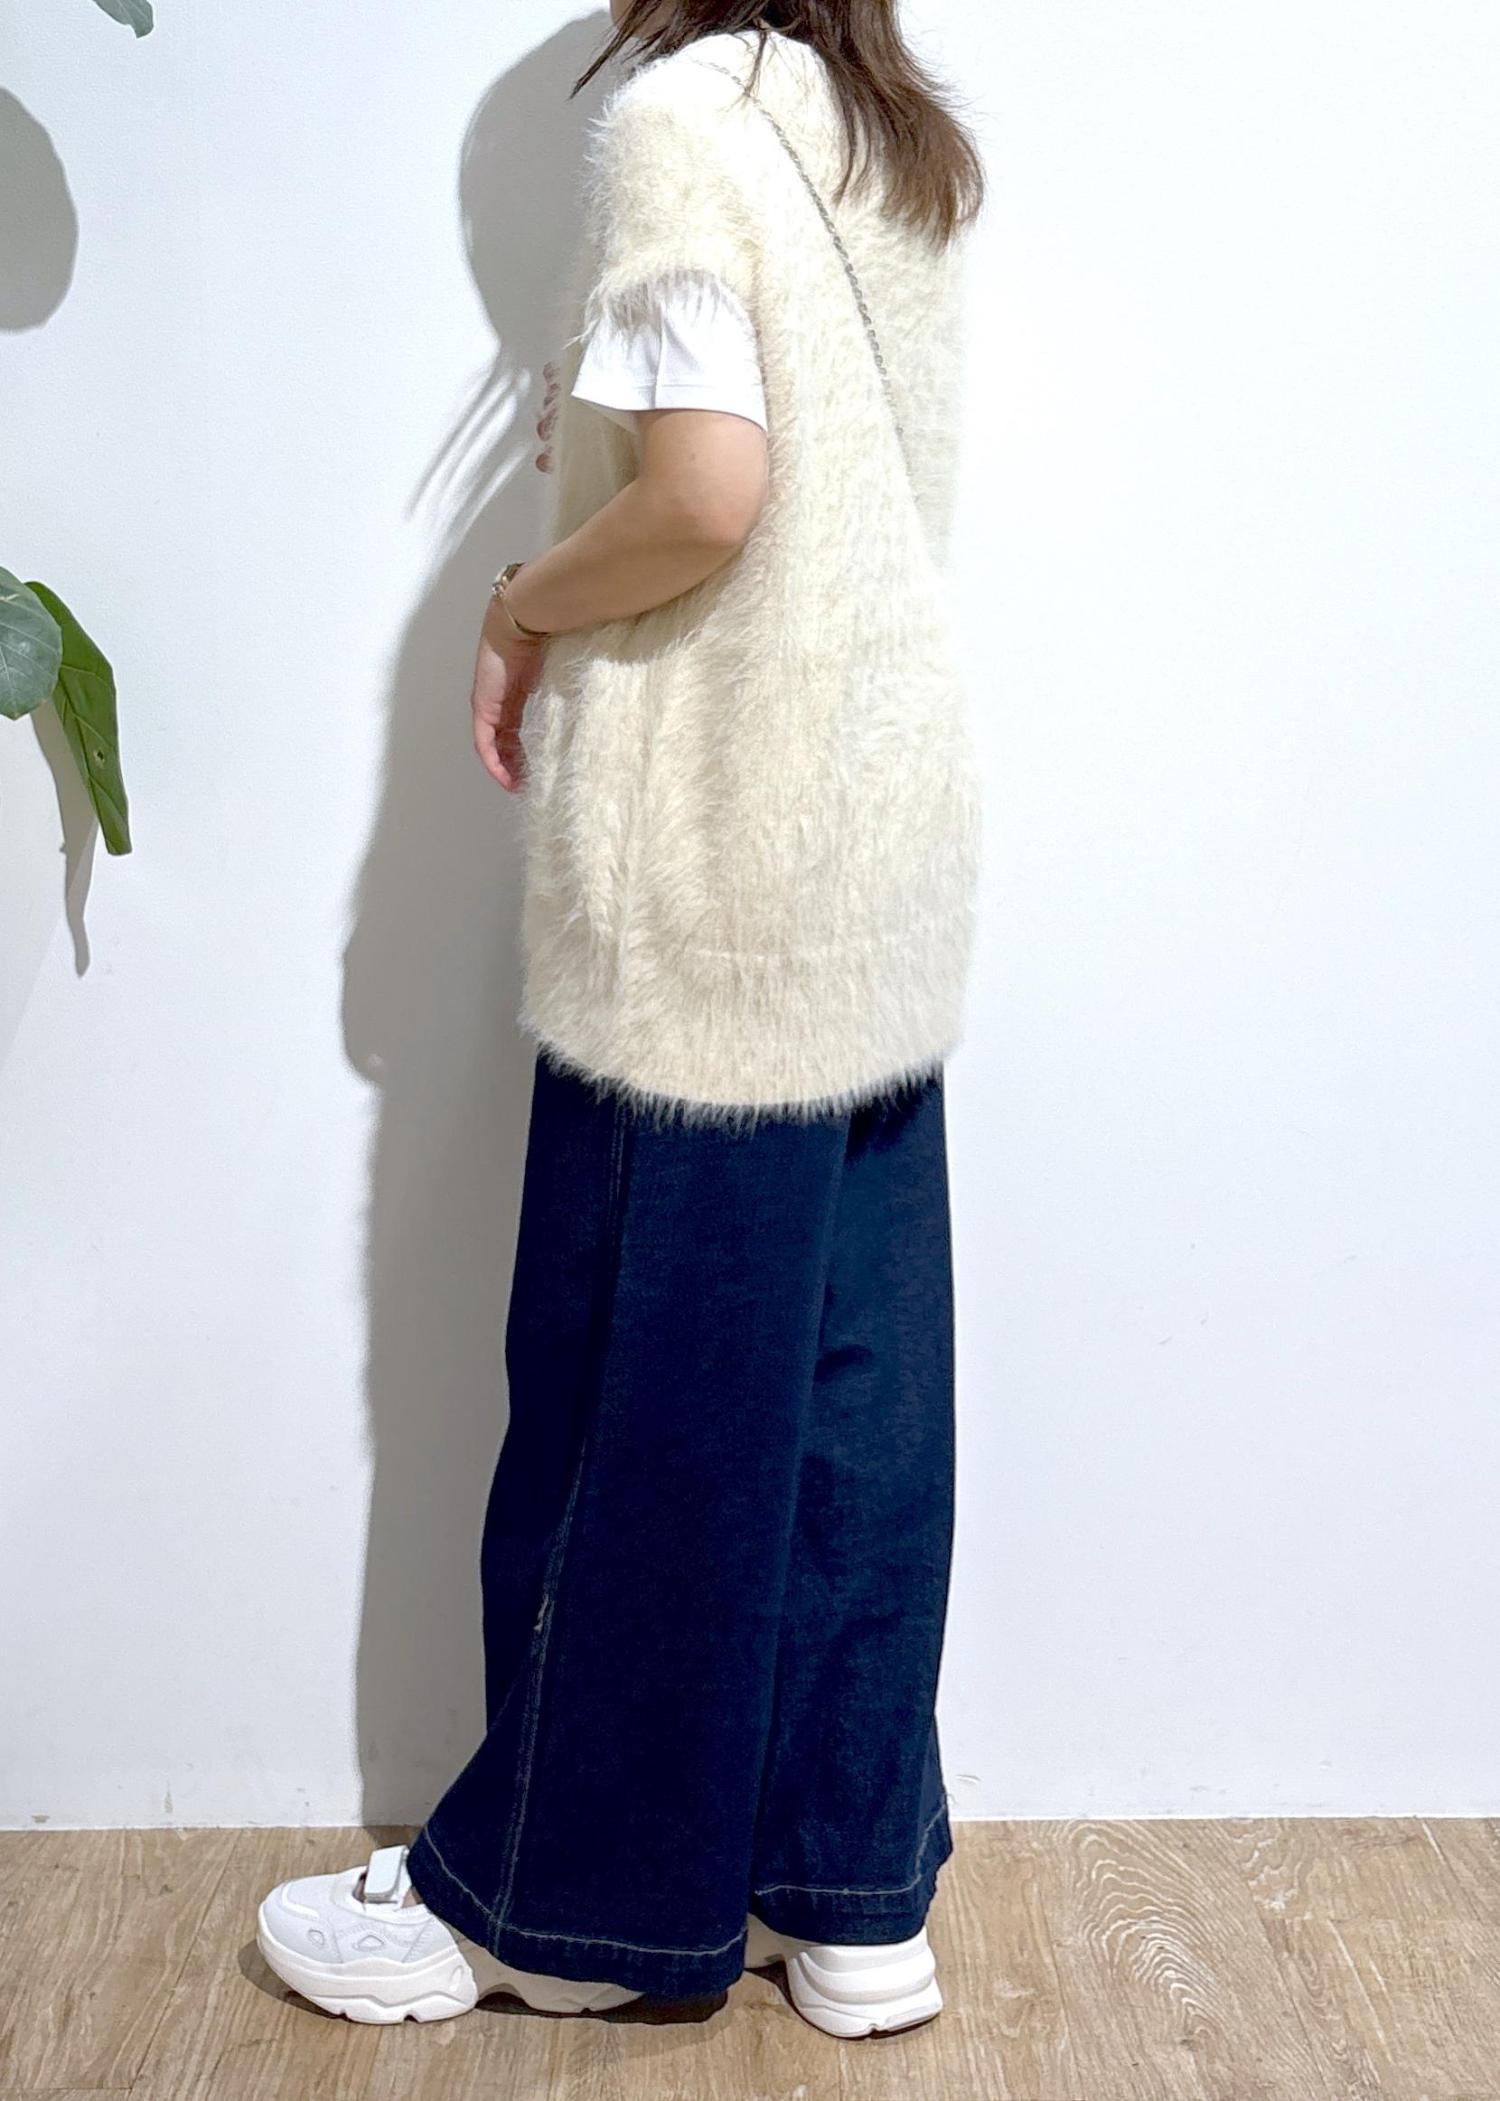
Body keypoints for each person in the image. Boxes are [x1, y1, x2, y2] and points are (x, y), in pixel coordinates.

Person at [256, 0, 985, 2041]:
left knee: (633, 1390)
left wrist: (520, 596)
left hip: (711, 855)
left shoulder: (683, 122)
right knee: (851, 1397)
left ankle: (565, 1904)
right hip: (872, 839)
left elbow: (708, 493)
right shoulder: (892, 137)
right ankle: (850, 1896)